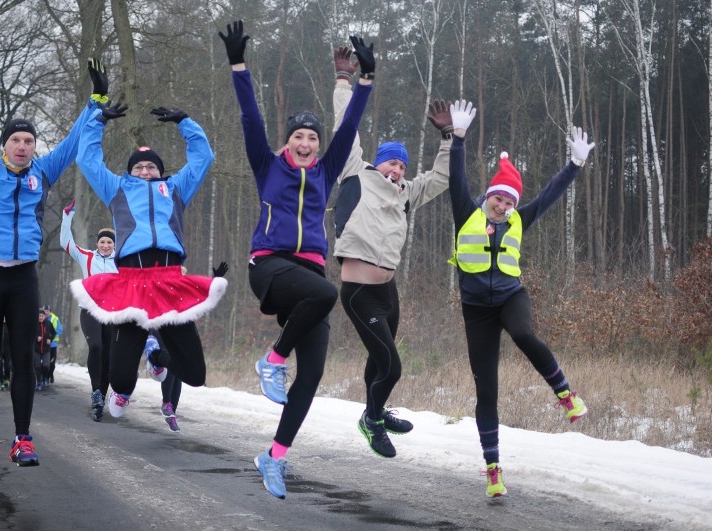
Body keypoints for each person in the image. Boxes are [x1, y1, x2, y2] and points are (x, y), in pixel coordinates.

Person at [219, 20, 374, 499]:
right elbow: (250, 119)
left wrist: (364, 81)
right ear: (288, 142)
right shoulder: (268, 166)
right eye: (298, 138)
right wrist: (239, 66)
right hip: (268, 265)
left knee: (313, 374)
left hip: (308, 276)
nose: (306, 144)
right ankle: (271, 360)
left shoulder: (327, 170)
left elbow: (348, 128)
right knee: (329, 292)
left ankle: (274, 458)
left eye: (312, 138)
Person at [0, 30, 106, 467]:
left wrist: (94, 104)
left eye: (29, 141)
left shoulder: (44, 170)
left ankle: (22, 439)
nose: (23, 146)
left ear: (35, 147)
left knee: (24, 358)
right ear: (4, 146)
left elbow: (75, 141)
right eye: (16, 141)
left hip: (23, 277)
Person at [447, 99, 594, 497]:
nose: (504, 206)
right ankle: (493, 468)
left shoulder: (519, 218)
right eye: (500, 199)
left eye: (511, 202)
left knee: (525, 334)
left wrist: (575, 165)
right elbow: (456, 177)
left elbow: (549, 194)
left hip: (512, 296)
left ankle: (566, 395)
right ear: (490, 195)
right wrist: (458, 138)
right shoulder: (465, 211)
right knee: (486, 390)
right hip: (476, 310)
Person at [71, 73, 225, 421]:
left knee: (196, 375)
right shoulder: (117, 189)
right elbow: (87, 161)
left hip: (170, 282)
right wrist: (98, 122)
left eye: (151, 166)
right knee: (120, 379)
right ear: (129, 172)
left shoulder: (175, 188)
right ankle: (124, 390)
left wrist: (185, 123)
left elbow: (203, 158)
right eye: (138, 166)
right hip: (131, 283)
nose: (144, 169)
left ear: (160, 171)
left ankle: (158, 358)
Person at [330, 47, 452, 459]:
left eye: (401, 166)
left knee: (378, 360)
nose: (396, 170)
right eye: (391, 164)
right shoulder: (357, 174)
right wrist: (344, 81)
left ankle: (374, 411)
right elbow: (345, 128)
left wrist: (450, 139)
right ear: (378, 163)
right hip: (359, 290)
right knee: (391, 366)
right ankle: (372, 419)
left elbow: (439, 179)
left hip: (388, 291)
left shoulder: (406, 195)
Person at [60, 199, 117, 421]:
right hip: (90, 311)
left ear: (114, 245)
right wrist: (67, 217)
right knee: (95, 346)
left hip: (112, 314)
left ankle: (101, 398)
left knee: (109, 356)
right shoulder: (87, 256)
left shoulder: (121, 261)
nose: (105, 245)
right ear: (97, 243)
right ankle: (95, 393)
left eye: (109, 243)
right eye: (102, 242)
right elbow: (66, 243)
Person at [34, 309, 56, 391]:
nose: (40, 317)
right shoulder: (34, 324)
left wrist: (50, 339)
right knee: (37, 366)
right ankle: (39, 381)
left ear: (44, 316)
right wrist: (36, 338)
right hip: (36, 349)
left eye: (42, 316)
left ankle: (44, 378)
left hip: (46, 348)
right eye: (39, 316)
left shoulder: (48, 323)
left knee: (46, 365)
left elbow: (54, 333)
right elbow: (29, 334)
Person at [41, 305, 62, 384]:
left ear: (50, 311)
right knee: (43, 363)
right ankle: (43, 377)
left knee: (51, 363)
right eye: (44, 311)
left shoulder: (55, 319)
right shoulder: (40, 318)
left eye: (47, 311)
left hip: (52, 344)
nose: (46, 313)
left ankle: (50, 375)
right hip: (42, 344)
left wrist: (50, 335)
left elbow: (60, 330)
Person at [0, 319, 12, 391]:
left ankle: (7, 380)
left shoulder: (10, 325)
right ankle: (2, 382)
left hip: (8, 350)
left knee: (7, 366)